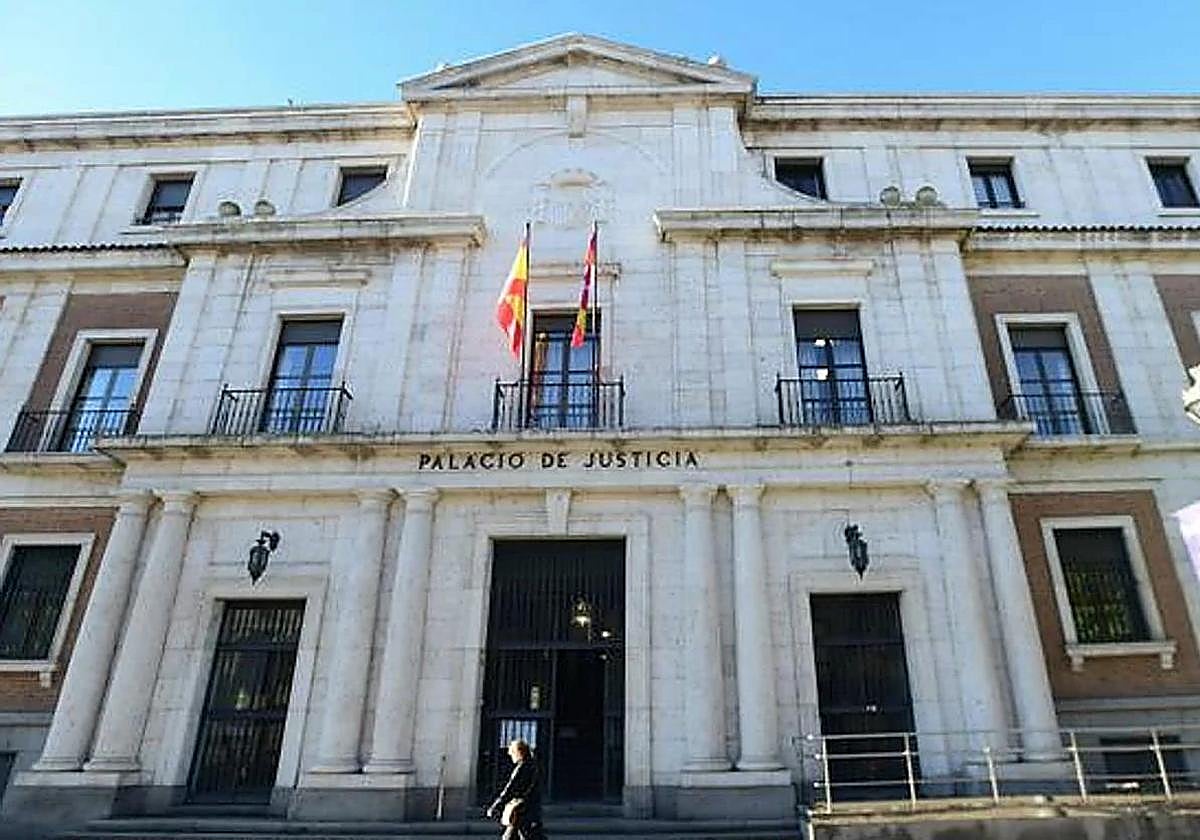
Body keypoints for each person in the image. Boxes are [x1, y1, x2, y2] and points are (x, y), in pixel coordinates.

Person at [486, 738, 544, 840]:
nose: (510, 755)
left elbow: (511, 788)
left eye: (512, 752)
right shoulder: (532, 766)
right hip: (529, 810)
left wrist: (497, 805)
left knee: (517, 836)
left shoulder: (523, 767)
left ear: (518, 752)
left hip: (523, 811)